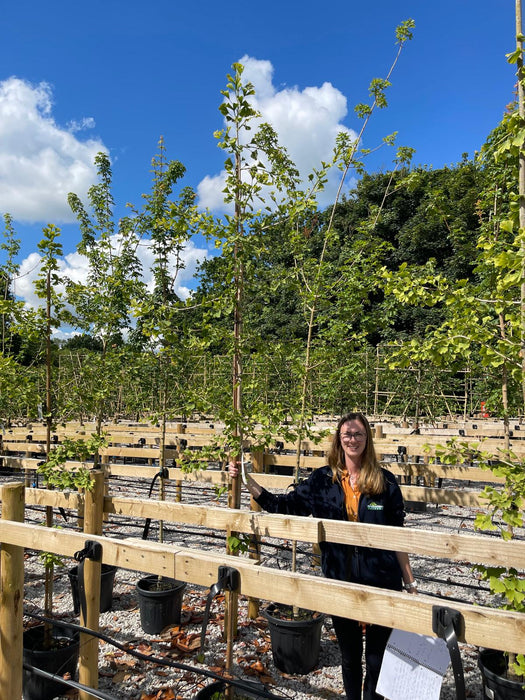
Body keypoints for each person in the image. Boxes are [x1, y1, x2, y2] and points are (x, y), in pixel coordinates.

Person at [228, 412, 418, 700]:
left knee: (379, 657)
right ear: (338, 440)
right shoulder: (321, 481)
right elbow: (287, 506)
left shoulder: (385, 482)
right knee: (351, 655)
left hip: (382, 580)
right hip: (339, 579)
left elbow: (398, 536)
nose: (352, 439)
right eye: (347, 435)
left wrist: (410, 582)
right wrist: (248, 482)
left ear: (367, 439)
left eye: (358, 434)